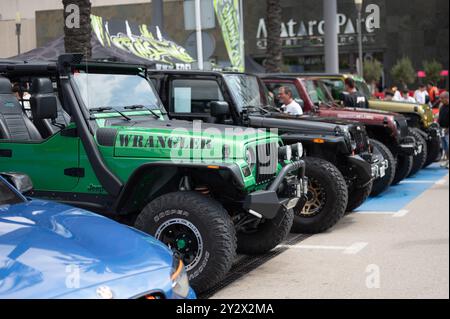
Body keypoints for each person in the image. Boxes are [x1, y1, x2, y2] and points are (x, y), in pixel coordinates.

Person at [438, 91, 449, 169]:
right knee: (445, 147)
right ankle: (447, 161)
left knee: (449, 146)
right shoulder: (442, 106)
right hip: (442, 129)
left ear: (446, 98)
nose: (440, 99)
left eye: (441, 98)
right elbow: (440, 117)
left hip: (448, 130)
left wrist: (448, 129)